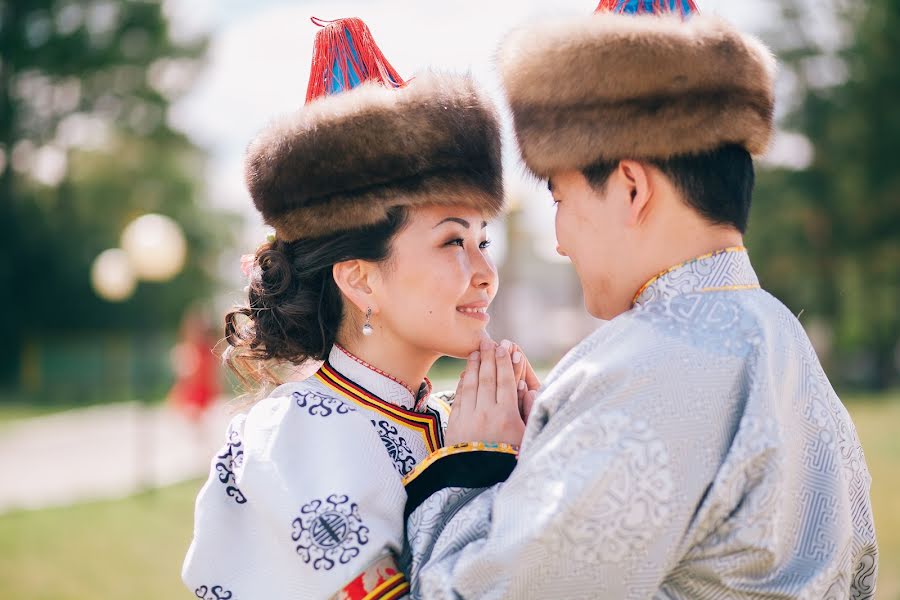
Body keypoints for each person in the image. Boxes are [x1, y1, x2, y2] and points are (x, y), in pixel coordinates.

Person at [399, 2, 879, 598]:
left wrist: (476, 463)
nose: (560, 241)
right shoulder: (782, 336)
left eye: (560, 200)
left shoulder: (642, 366)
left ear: (630, 187)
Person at [181, 17, 526, 600]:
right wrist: (478, 468)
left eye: (482, 241)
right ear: (360, 280)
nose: (485, 274)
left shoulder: (445, 420)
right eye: (452, 242)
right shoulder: (295, 440)